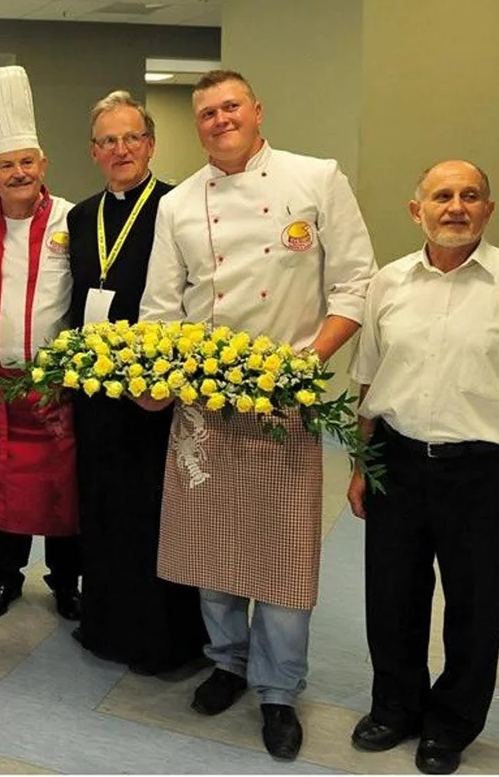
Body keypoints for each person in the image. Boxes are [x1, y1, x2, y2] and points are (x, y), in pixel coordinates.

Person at [138, 70, 377, 761]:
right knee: (211, 546)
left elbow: (355, 283)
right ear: (197, 126)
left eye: (231, 106)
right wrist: (157, 379)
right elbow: (161, 308)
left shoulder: (316, 178)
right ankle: (228, 662)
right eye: (207, 113)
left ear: (257, 110)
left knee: (283, 553)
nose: (220, 120)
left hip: (284, 400)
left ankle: (278, 689)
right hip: (204, 401)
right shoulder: (179, 203)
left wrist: (309, 361)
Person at [347, 160, 499, 776]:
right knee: (392, 596)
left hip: (482, 471)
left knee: (476, 605)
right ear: (418, 211)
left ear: (488, 209)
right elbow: (368, 379)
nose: (455, 206)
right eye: (442, 196)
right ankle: (396, 707)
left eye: (470, 196)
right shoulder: (388, 283)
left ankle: (452, 723)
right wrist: (362, 464)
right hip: (398, 460)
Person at [66, 90, 206, 674]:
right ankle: (105, 625)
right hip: (95, 389)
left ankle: (162, 637)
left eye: (131, 138)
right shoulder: (80, 217)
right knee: (101, 504)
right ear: (93, 151)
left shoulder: (180, 207)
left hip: (155, 392)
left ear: (150, 144)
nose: (120, 149)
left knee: (153, 508)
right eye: (108, 141)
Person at [0, 66, 81, 622]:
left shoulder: (72, 220)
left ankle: (66, 583)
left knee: (63, 488)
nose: (18, 173)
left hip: (55, 385)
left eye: (27, 162)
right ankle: (4, 578)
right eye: (6, 165)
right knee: (0, 487)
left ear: (43, 164)